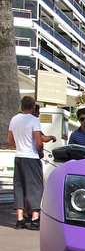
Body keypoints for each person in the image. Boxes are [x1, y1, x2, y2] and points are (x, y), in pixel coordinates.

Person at [8, 96, 44, 230]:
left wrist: (21, 146)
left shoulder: (14, 119)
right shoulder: (34, 120)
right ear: (33, 106)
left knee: (19, 187)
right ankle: (35, 218)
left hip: (19, 156)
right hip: (31, 156)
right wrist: (39, 150)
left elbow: (10, 141)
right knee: (35, 187)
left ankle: (19, 219)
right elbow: (38, 141)